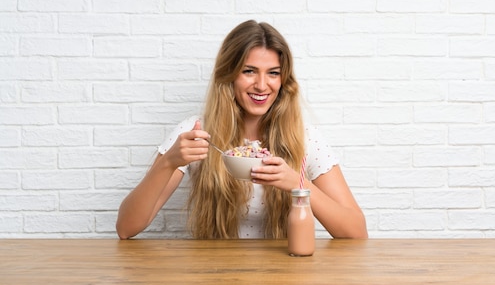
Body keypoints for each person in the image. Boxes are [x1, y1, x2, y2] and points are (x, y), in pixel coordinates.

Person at [116, 20, 368, 240]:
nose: (261, 85)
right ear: (229, 75)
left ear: (283, 80)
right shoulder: (196, 132)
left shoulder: (305, 138)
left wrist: (297, 183)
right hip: (214, 276)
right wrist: (168, 162)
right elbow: (126, 228)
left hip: (286, 276)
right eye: (249, 71)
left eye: (273, 73)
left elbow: (356, 232)